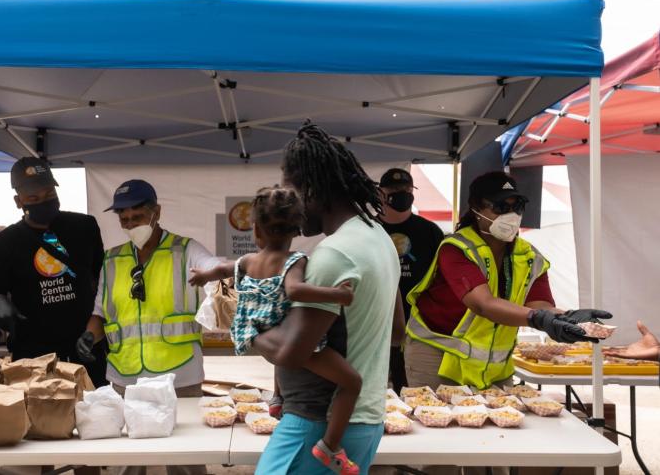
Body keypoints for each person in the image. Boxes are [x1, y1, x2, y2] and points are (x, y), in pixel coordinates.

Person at [251, 122, 404, 475]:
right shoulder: (378, 237)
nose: (290, 207)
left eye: (292, 193)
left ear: (313, 189)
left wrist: (247, 329)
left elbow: (295, 352)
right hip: (364, 420)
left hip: (319, 423)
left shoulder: (334, 254)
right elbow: (397, 332)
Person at [189, 186, 362, 474]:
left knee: (281, 357)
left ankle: (277, 399)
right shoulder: (295, 261)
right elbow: (295, 289)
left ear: (256, 231)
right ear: (296, 229)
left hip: (256, 330)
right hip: (293, 344)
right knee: (352, 383)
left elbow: (223, 270)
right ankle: (330, 446)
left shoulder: (249, 262)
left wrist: (205, 274)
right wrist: (337, 295)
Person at [404, 171, 613, 390]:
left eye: (517, 206)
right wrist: (540, 319)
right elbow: (483, 304)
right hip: (436, 355)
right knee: (439, 420)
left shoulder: (529, 256)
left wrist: (568, 318)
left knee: (502, 421)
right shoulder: (456, 249)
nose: (511, 215)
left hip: (493, 365)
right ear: (476, 209)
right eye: (501, 207)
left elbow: (539, 307)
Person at [75, 179, 219, 475]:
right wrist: (90, 336)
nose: (130, 224)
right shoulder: (112, 259)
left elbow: (214, 269)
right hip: (126, 377)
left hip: (180, 375)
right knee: (128, 461)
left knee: (185, 460)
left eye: (137, 217)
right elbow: (100, 313)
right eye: (124, 219)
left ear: (157, 212)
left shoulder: (185, 251)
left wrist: (217, 276)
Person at [0, 157, 107, 387]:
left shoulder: (85, 227)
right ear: (18, 201)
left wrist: (95, 330)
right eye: (33, 198)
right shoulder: (4, 243)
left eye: (49, 194)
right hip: (34, 356)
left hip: (86, 348)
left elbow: (104, 284)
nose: (43, 201)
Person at [378, 167, 444, 393]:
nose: (402, 193)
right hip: (377, 324)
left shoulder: (430, 231)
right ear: (381, 194)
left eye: (406, 189)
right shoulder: (370, 229)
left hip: (419, 326)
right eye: (395, 189)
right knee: (377, 388)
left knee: (411, 389)